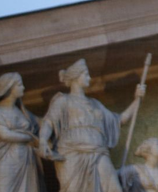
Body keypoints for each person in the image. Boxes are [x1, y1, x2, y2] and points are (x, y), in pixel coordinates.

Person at [39, 59, 145, 192]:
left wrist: (137, 100)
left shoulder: (95, 104)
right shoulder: (63, 100)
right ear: (76, 77)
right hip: (71, 153)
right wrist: (43, 140)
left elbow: (120, 120)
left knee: (113, 188)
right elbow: (49, 121)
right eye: (86, 74)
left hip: (98, 151)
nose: (89, 78)